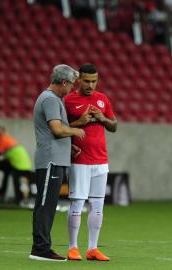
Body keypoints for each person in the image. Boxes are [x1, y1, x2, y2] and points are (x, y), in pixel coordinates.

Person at [29, 64, 85, 262]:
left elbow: (55, 132)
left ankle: (41, 247)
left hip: (56, 159)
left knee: (48, 205)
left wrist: (68, 146)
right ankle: (40, 249)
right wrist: (75, 132)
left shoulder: (54, 99)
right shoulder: (50, 100)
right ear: (63, 83)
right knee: (45, 206)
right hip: (50, 161)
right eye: (71, 84)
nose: (72, 88)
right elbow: (57, 129)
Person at [64, 63, 117, 261]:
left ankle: (92, 248)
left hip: (101, 160)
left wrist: (102, 117)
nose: (91, 85)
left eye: (94, 81)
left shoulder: (102, 99)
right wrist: (80, 122)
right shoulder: (69, 100)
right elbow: (59, 128)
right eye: (86, 81)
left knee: (97, 205)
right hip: (79, 161)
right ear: (78, 80)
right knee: (77, 204)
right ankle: (72, 247)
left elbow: (114, 126)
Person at [0, 126, 32, 203]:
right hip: (24, 165)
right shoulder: (8, 138)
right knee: (6, 170)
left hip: (18, 166)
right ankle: (2, 191)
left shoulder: (2, 139)